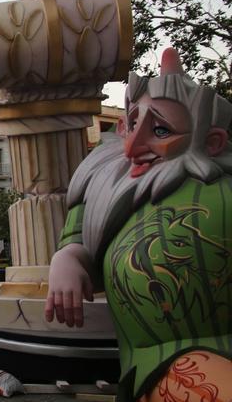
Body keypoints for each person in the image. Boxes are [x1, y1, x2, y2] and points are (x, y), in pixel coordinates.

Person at [45, 49, 232, 402]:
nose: (132, 144)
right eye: (131, 124)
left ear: (211, 142)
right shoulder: (102, 192)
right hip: (165, 362)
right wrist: (66, 259)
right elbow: (79, 244)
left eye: (160, 129)